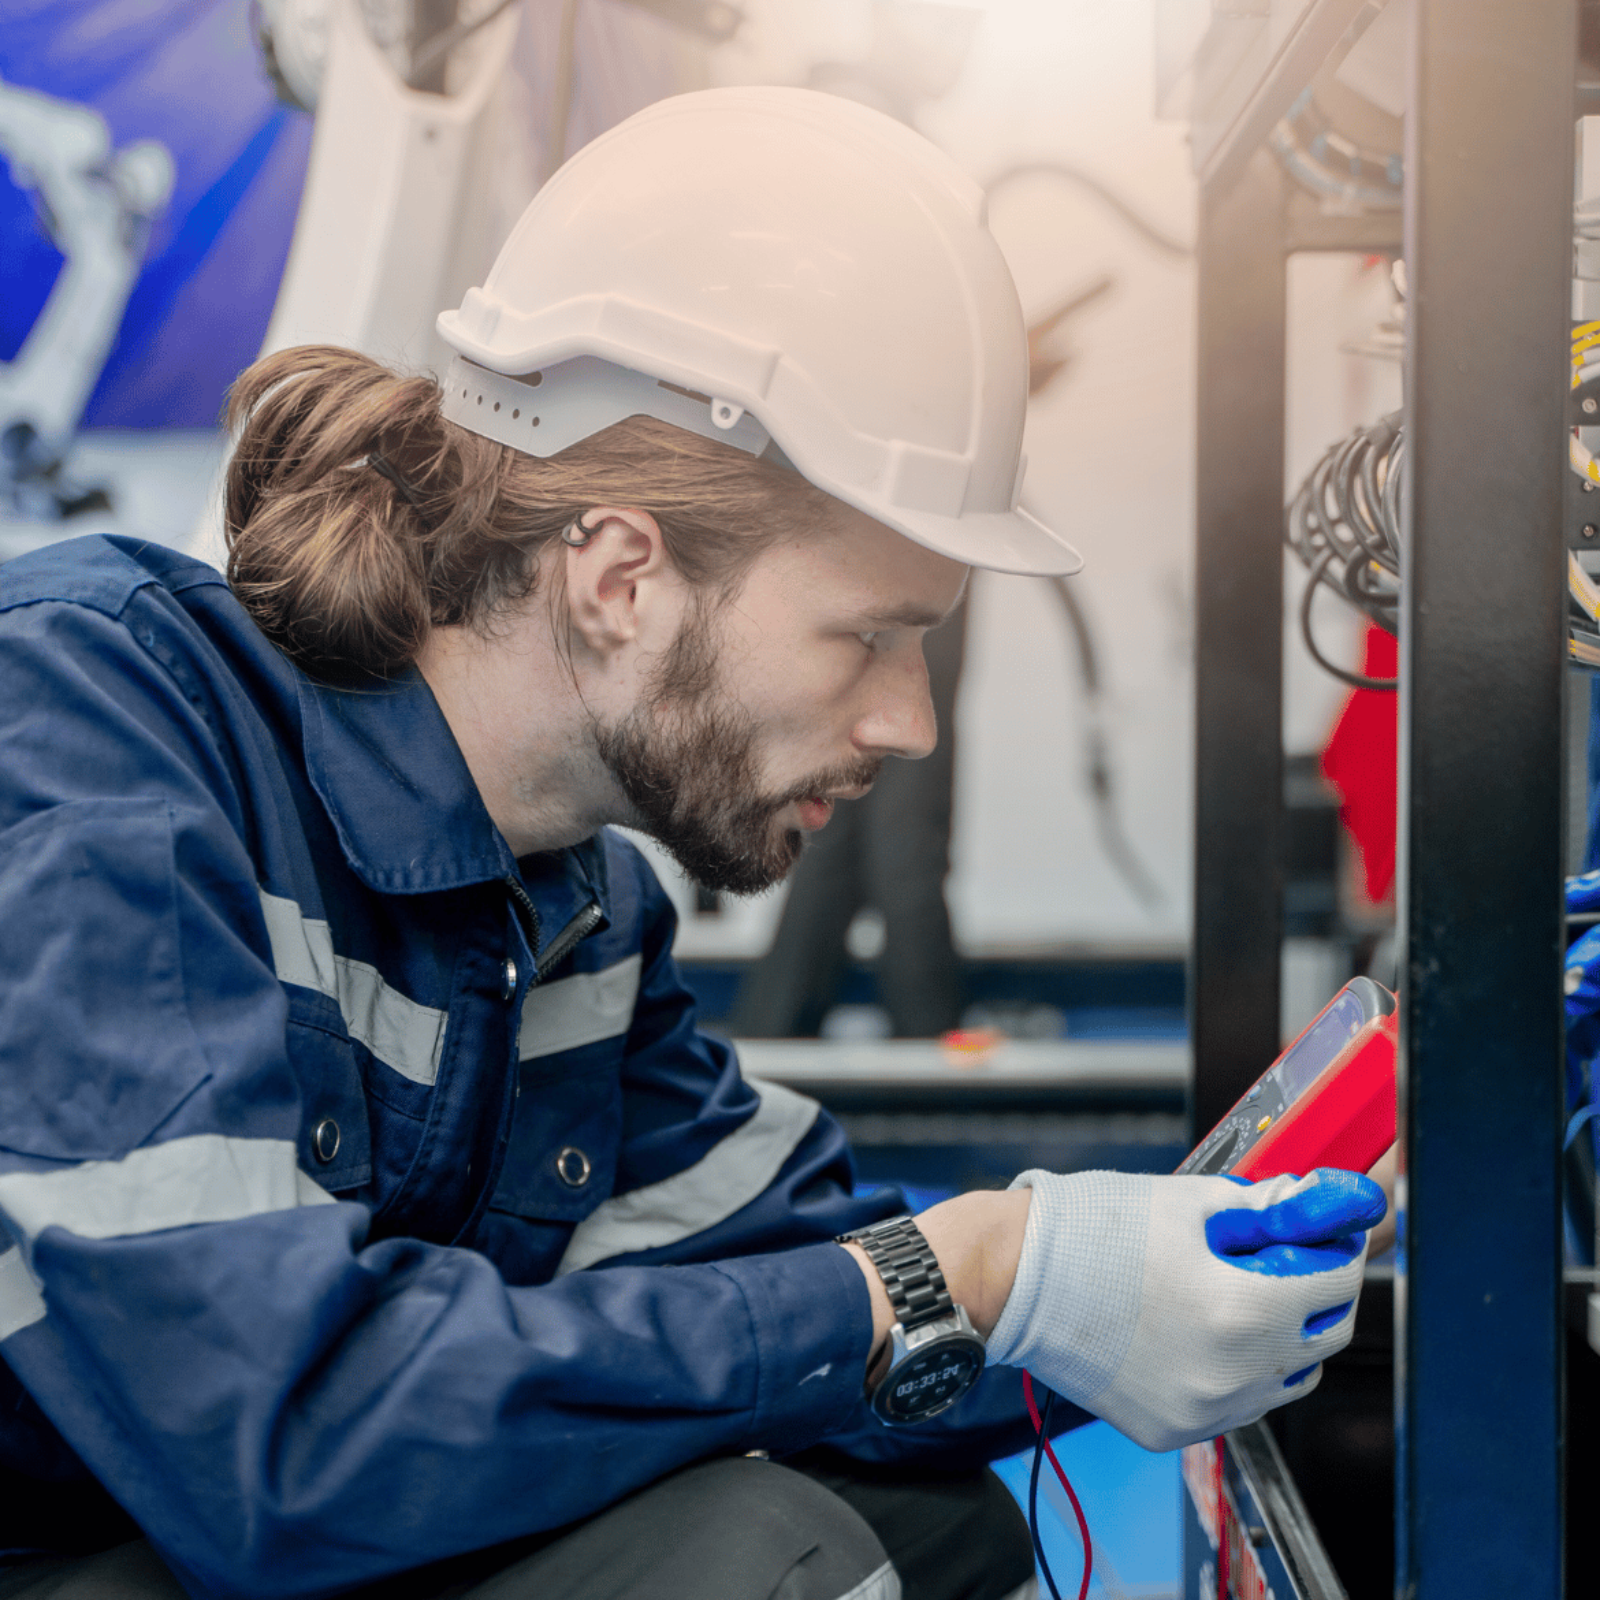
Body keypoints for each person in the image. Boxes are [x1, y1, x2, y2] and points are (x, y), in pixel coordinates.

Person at [0, 88, 1385, 1600]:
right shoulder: (91, 727)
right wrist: (957, 1273)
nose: (912, 723)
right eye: (867, 636)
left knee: (929, 1532)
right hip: (118, 1534)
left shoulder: (570, 910)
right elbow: (277, 1436)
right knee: (754, 1563)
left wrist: (1093, 1278)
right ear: (618, 580)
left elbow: (795, 1275)